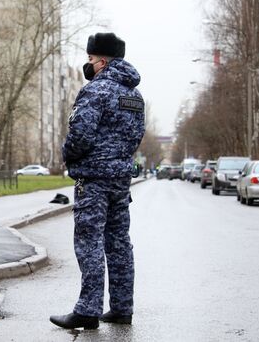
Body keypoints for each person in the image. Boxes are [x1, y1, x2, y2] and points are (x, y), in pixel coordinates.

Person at [50, 33, 145, 329]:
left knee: (89, 242)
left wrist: (68, 155)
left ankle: (88, 310)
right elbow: (136, 136)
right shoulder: (135, 96)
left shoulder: (96, 90)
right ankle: (121, 308)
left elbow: (80, 135)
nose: (88, 64)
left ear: (102, 61)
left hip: (93, 179)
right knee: (118, 243)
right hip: (120, 179)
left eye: (91, 59)